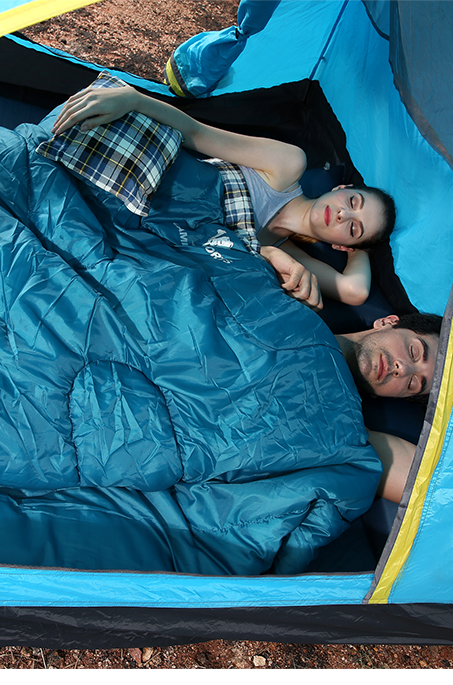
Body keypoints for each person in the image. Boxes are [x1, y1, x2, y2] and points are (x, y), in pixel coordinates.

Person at [52, 83, 397, 310]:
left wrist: (360, 249)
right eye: (353, 203)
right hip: (157, 184)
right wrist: (133, 99)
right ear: (340, 189)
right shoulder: (288, 165)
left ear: (341, 246)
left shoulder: (284, 252)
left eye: (353, 229)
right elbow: (195, 132)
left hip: (151, 236)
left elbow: (354, 291)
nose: (343, 215)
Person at [334, 312, 443, 502]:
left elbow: (435, 490)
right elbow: (356, 293)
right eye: (414, 352)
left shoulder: (344, 430)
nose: (403, 369)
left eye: (413, 383)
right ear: (388, 322)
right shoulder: (293, 306)